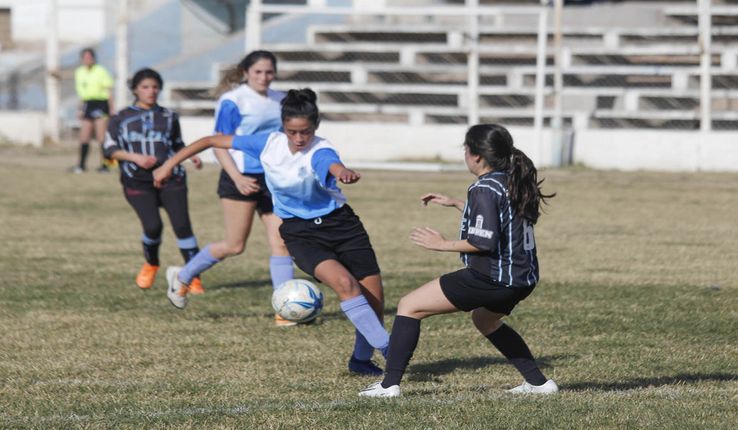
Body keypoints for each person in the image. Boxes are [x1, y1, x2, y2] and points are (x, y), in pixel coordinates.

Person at [153, 88, 388, 375]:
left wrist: (342, 173)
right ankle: (393, 351)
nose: (300, 139)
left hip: (343, 227)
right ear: (283, 126)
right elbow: (210, 140)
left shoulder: (321, 149)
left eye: (306, 132)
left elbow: (329, 164)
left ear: (315, 127)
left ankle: (361, 361)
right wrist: (168, 165)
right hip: (301, 233)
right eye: (293, 132)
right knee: (345, 285)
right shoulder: (267, 143)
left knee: (374, 304)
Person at [359, 124, 558, 397]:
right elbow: (502, 221)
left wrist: (440, 245)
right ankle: (539, 383)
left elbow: (483, 241)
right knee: (485, 321)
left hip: (492, 278)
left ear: (476, 156)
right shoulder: (511, 179)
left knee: (409, 306)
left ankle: (388, 385)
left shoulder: (483, 188)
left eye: (466, 149)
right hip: (522, 279)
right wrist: (457, 204)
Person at [210, 50, 295, 323]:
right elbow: (219, 143)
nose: (264, 77)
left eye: (269, 72)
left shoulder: (281, 100)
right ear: (246, 72)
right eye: (258, 72)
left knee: (282, 241)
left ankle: (285, 309)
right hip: (240, 177)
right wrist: (236, 177)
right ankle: (183, 275)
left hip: (272, 179)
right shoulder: (233, 100)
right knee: (235, 246)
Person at [103, 68, 205, 293]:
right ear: (135, 90)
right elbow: (109, 149)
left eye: (155, 87)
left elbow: (177, 144)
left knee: (182, 226)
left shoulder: (169, 117)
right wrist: (134, 157)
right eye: (145, 87)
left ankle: (193, 276)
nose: (151, 91)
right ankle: (151, 263)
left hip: (172, 177)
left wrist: (191, 155)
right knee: (153, 226)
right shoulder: (120, 118)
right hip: (136, 180)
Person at [73, 48, 115, 173]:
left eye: (89, 57)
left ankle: (106, 165)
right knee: (84, 136)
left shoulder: (101, 71)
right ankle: (81, 165)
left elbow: (109, 91)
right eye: (85, 58)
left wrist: (112, 108)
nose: (87, 60)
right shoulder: (79, 72)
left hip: (101, 103)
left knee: (101, 137)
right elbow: (81, 94)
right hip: (87, 104)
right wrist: (80, 109)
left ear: (94, 58)